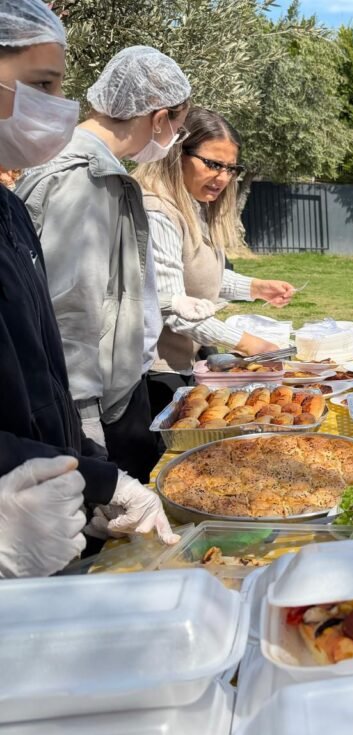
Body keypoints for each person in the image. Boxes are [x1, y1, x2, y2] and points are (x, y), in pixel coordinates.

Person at [0, 0, 178, 571]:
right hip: (58, 444)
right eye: (42, 85)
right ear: (158, 117)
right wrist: (90, 453)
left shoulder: (21, 204)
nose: (58, 106)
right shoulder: (81, 183)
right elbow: (74, 323)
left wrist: (89, 470)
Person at [16, 45, 190, 482]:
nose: (171, 141)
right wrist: (87, 433)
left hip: (115, 389)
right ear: (159, 117)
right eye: (178, 128)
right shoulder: (82, 179)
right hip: (96, 409)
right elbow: (70, 312)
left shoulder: (95, 171)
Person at [133, 106, 294, 417]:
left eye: (231, 168)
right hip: (156, 373)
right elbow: (172, 308)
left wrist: (255, 287)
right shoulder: (158, 211)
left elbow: (200, 275)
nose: (222, 178)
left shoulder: (195, 203)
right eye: (212, 164)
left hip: (189, 362)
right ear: (177, 153)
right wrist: (247, 344)